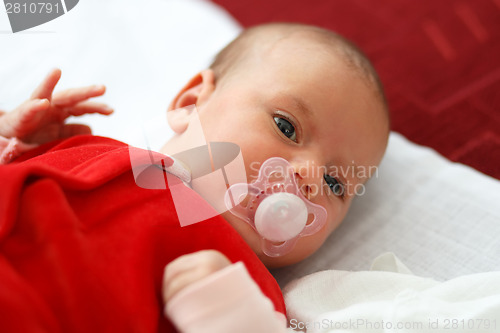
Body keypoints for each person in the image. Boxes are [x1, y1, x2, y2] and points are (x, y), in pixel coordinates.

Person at [0, 23, 389, 332]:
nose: (308, 177)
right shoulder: (95, 148)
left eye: (335, 184)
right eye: (286, 127)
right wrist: (14, 143)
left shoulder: (244, 291)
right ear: (191, 103)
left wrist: (235, 319)